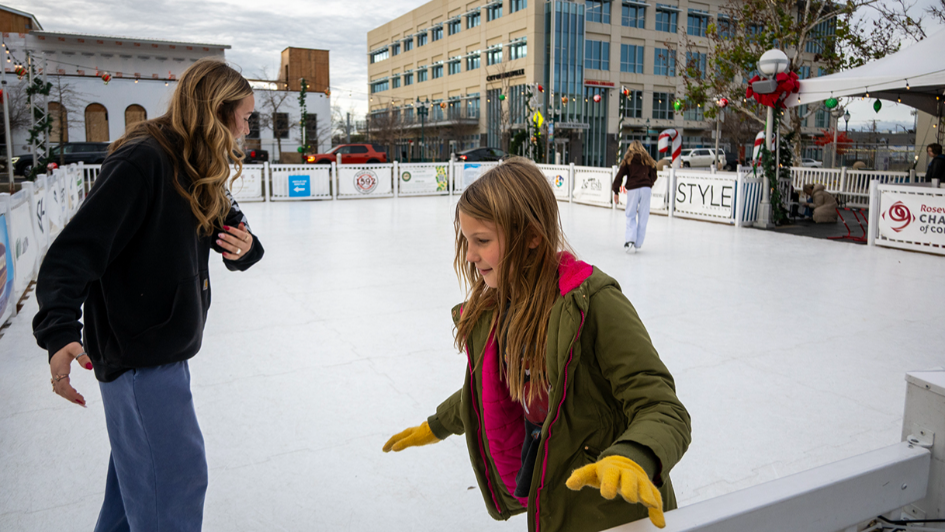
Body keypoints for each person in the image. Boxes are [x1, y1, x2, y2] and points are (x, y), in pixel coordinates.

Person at [383, 157, 691, 532]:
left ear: (531, 235)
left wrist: (633, 456)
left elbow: (662, 407)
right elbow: (490, 387)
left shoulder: (593, 302)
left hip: (617, 507)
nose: (469, 255)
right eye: (467, 241)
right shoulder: (498, 307)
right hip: (553, 494)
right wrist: (438, 424)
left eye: (482, 241)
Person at [32, 58, 265, 532]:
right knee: (174, 488)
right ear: (216, 112)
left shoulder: (197, 164)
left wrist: (245, 248)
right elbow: (71, 255)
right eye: (243, 115)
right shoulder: (145, 160)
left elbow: (234, 231)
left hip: (157, 354)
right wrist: (59, 333)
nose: (246, 127)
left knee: (134, 492)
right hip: (141, 360)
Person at [612, 141, 657, 253]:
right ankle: (638, 242)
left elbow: (620, 176)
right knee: (643, 215)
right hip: (646, 189)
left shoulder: (628, 160)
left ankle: (630, 239)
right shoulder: (647, 159)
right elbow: (654, 173)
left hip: (633, 188)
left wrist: (616, 191)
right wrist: (649, 182)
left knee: (630, 213)